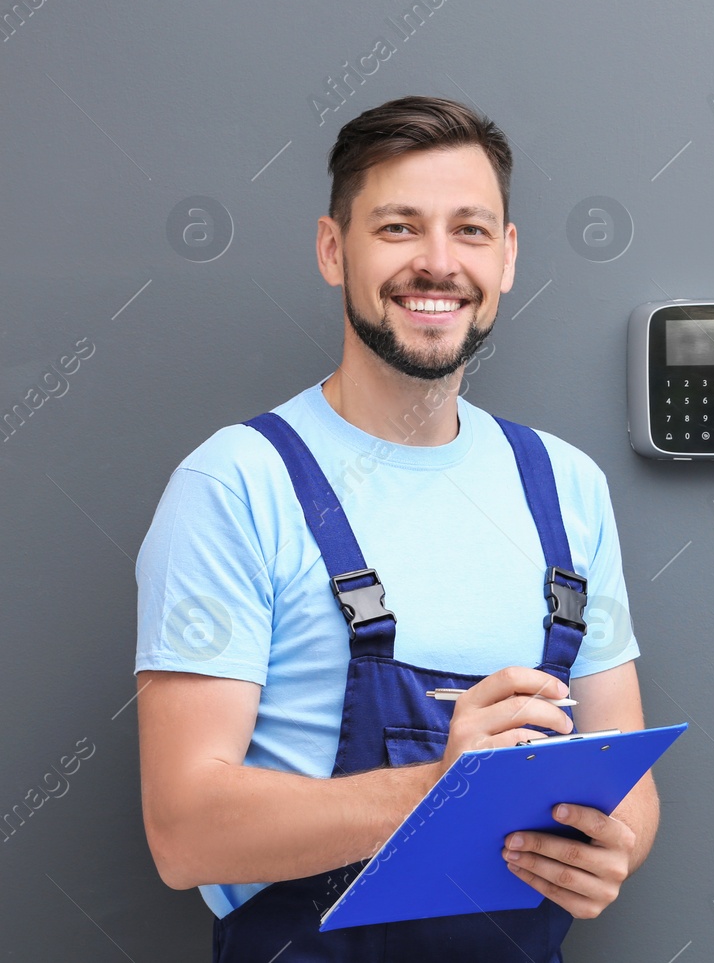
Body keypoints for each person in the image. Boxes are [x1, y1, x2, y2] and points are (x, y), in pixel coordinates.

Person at [134, 96, 654, 962]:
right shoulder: (238, 484)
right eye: (401, 227)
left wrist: (612, 850)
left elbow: (625, 774)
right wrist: (437, 792)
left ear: (510, 257)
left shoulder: (565, 486)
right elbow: (183, 831)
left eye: (472, 231)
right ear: (335, 250)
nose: (439, 263)